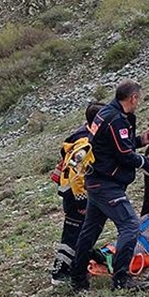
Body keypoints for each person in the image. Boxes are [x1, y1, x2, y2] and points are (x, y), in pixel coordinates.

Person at [70, 80, 149, 292]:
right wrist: (148, 161)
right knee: (130, 225)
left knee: (90, 230)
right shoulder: (115, 119)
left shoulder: (105, 114)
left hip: (96, 180)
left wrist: (141, 140)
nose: (138, 103)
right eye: (138, 99)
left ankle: (77, 277)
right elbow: (125, 155)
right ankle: (121, 279)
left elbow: (113, 145)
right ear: (133, 98)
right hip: (106, 184)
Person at [50, 101, 104, 284]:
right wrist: (82, 201)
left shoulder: (80, 136)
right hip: (75, 195)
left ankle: (82, 258)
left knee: (79, 231)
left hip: (70, 192)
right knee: (73, 233)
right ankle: (59, 272)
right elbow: (76, 174)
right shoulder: (85, 142)